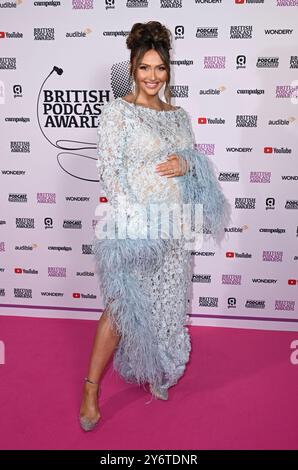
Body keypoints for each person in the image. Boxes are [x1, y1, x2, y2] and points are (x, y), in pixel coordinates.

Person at [79, 21, 231, 432]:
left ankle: (157, 370)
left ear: (168, 71)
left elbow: (192, 167)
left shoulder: (179, 116)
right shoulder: (118, 112)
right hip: (135, 228)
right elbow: (110, 173)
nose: (152, 77)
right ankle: (91, 389)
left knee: (167, 306)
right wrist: (135, 220)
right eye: (144, 68)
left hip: (175, 229)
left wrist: (188, 163)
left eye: (159, 68)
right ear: (132, 67)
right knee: (121, 308)